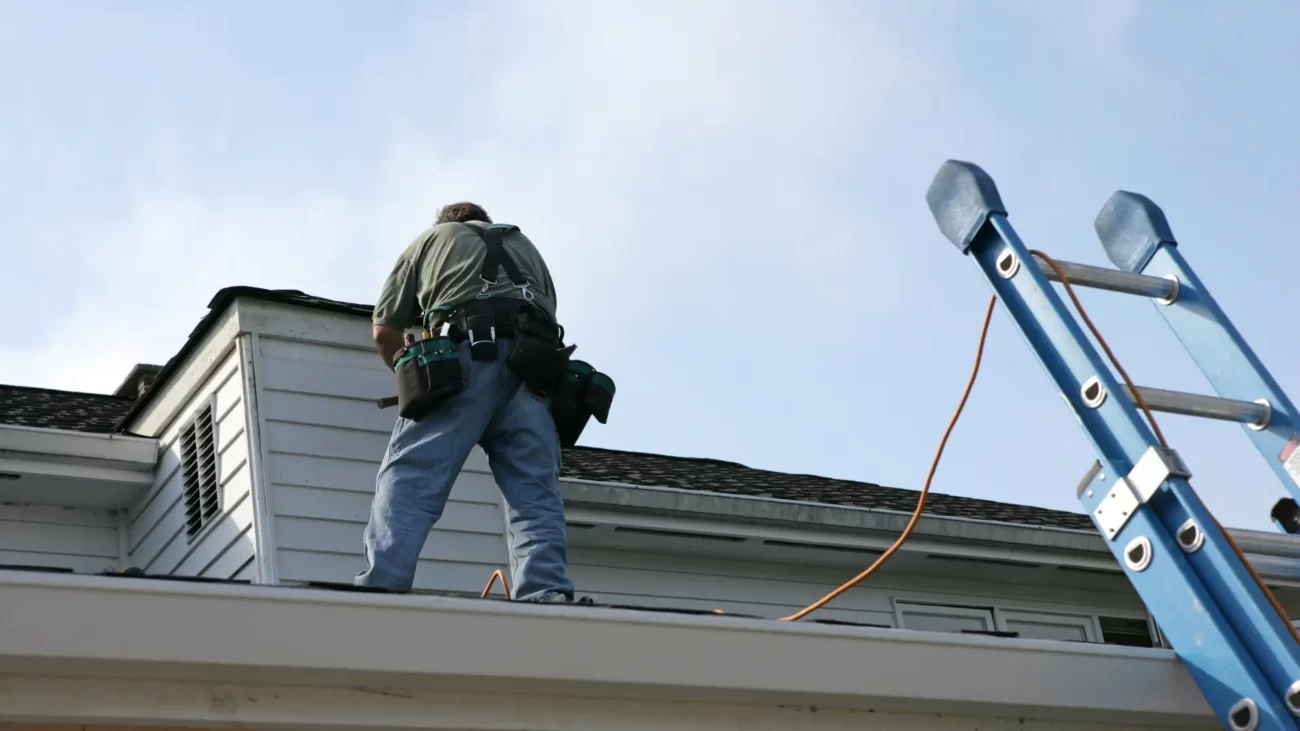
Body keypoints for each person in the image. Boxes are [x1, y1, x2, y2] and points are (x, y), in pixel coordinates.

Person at [355, 201, 578, 603]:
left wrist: (410, 376)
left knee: (410, 477)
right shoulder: (525, 244)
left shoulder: (430, 240)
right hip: (533, 368)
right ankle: (546, 593)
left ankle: (382, 586)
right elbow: (547, 311)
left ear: (446, 224)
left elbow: (383, 332)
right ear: (485, 222)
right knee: (535, 493)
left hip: (463, 358)